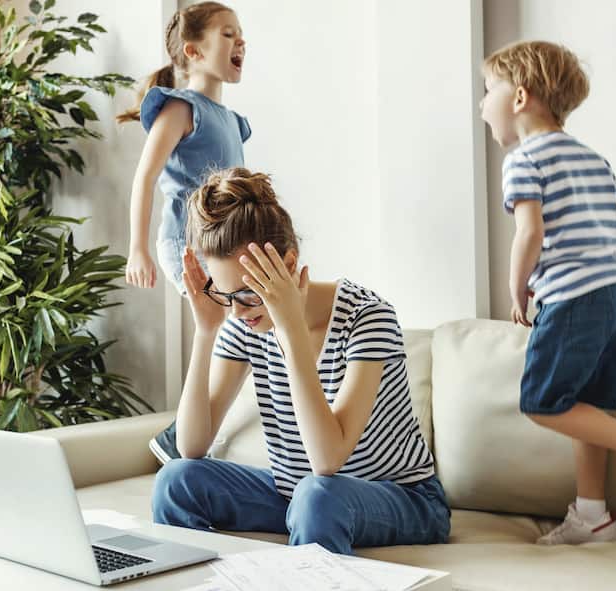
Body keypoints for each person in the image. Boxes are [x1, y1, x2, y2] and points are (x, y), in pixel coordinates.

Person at [150, 167, 450, 555]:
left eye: (248, 294)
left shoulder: (368, 317)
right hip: (298, 493)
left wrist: (291, 329)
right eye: (227, 296)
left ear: (288, 266)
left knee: (317, 496)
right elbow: (191, 446)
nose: (237, 313)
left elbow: (327, 460)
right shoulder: (246, 322)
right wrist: (205, 332)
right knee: (176, 480)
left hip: (405, 499)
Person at [479, 40, 616, 544]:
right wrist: (598, 259)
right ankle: (594, 516)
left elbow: (529, 233)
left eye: (488, 91)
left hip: (573, 301)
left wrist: (520, 289)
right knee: (587, 406)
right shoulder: (593, 158)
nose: (482, 104)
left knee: (541, 401)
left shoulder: (523, 158)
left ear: (520, 96)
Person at [116, 1, 250, 463]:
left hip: (223, 249)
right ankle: (186, 437)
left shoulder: (232, 122)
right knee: (237, 332)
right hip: (187, 246)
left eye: (240, 34)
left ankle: (186, 436)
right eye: (228, 34)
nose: (240, 41)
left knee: (251, 334)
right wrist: (137, 248)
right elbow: (145, 176)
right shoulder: (180, 108)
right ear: (193, 51)